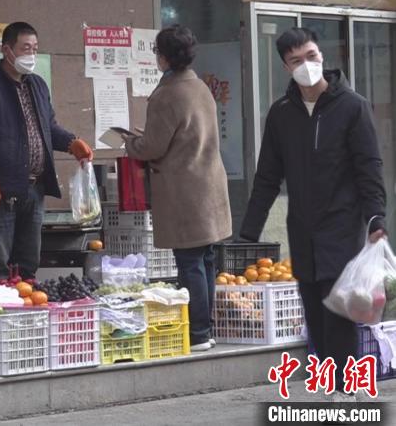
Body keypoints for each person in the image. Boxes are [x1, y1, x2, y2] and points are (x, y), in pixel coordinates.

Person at [239, 27, 387, 397]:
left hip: (343, 223)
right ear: (285, 67)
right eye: (296, 60)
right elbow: (267, 176)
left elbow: (369, 168)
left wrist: (376, 218)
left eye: (311, 55)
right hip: (302, 228)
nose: (306, 65)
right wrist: (248, 232)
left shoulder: (352, 106)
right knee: (315, 311)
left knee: (338, 308)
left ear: (321, 55)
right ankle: (333, 385)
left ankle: (345, 389)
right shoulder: (282, 114)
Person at [124, 25, 232, 352]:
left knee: (189, 262)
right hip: (209, 183)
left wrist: (132, 143)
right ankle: (207, 328)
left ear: (164, 55)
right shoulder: (199, 86)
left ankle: (197, 333)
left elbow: (153, 147)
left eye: (157, 52)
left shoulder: (167, 92)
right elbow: (184, 134)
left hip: (183, 189)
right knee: (206, 259)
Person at [0, 22, 93, 280]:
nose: (30, 55)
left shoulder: (38, 85)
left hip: (34, 188)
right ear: (7, 50)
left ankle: (27, 312)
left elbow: (47, 127)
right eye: (25, 48)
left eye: (34, 48)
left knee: (28, 262)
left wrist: (71, 143)